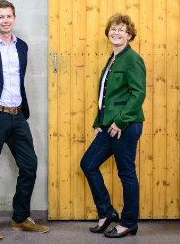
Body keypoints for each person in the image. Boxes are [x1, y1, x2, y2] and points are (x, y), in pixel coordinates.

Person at [0, 0, 48, 240]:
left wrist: (22, 112)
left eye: (9, 16)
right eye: (0, 16)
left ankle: (20, 217)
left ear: (14, 18)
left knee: (30, 165)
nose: (5, 20)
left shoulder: (21, 46)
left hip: (18, 115)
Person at [79, 13, 146, 239]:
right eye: (113, 29)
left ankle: (128, 222)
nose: (116, 33)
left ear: (129, 35)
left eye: (121, 30)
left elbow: (138, 94)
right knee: (88, 163)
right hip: (109, 125)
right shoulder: (113, 58)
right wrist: (99, 122)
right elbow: (105, 96)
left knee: (126, 173)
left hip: (125, 125)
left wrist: (121, 120)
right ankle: (107, 213)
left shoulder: (132, 59)